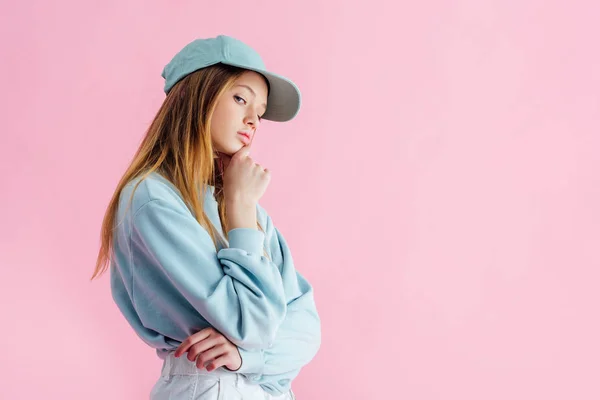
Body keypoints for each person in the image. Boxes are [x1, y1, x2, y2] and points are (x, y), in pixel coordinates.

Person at [91, 35, 321, 399]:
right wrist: (241, 208)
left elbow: (307, 326)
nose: (253, 121)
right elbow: (251, 323)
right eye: (240, 98)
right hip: (208, 386)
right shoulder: (152, 199)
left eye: (260, 112)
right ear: (196, 96)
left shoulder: (240, 206)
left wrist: (248, 358)